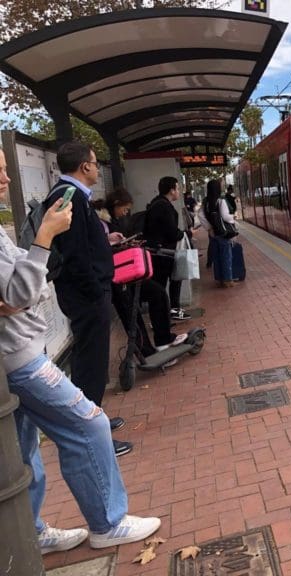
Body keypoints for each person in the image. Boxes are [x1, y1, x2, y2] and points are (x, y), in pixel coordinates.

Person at [0, 147, 161, 554]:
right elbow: (20, 289)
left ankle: (30, 531)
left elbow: (20, 287)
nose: (6, 180)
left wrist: (23, 286)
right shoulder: (64, 201)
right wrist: (44, 239)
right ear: (87, 165)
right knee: (90, 423)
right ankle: (107, 522)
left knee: (21, 448)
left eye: (6, 170)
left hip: (18, 349)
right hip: (19, 354)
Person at [46, 141, 132, 457]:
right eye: (95, 163)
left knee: (93, 364)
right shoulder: (67, 198)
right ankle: (93, 440)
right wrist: (97, 292)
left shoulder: (73, 197)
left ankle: (95, 422)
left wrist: (105, 239)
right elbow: (75, 256)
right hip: (87, 297)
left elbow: (81, 243)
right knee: (90, 368)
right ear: (84, 166)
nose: (97, 169)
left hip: (86, 295)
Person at [95, 189, 187, 354]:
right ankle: (146, 351)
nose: (126, 213)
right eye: (124, 209)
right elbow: (97, 248)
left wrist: (124, 244)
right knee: (131, 313)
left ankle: (163, 339)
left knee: (158, 294)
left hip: (126, 271)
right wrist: (116, 244)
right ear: (116, 204)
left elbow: (106, 243)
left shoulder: (111, 220)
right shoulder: (100, 221)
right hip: (116, 276)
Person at [143, 176, 191, 321]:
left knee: (165, 285)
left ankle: (163, 316)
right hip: (162, 254)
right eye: (178, 188)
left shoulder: (157, 203)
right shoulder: (163, 206)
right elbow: (171, 233)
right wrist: (185, 233)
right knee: (166, 285)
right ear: (172, 190)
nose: (179, 191)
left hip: (159, 253)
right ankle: (162, 318)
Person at [199, 180, 236, 288]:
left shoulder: (205, 201)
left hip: (213, 234)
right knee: (226, 257)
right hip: (223, 233)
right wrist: (233, 217)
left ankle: (219, 279)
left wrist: (209, 228)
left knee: (217, 257)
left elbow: (200, 215)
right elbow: (225, 216)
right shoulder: (220, 201)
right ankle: (228, 280)